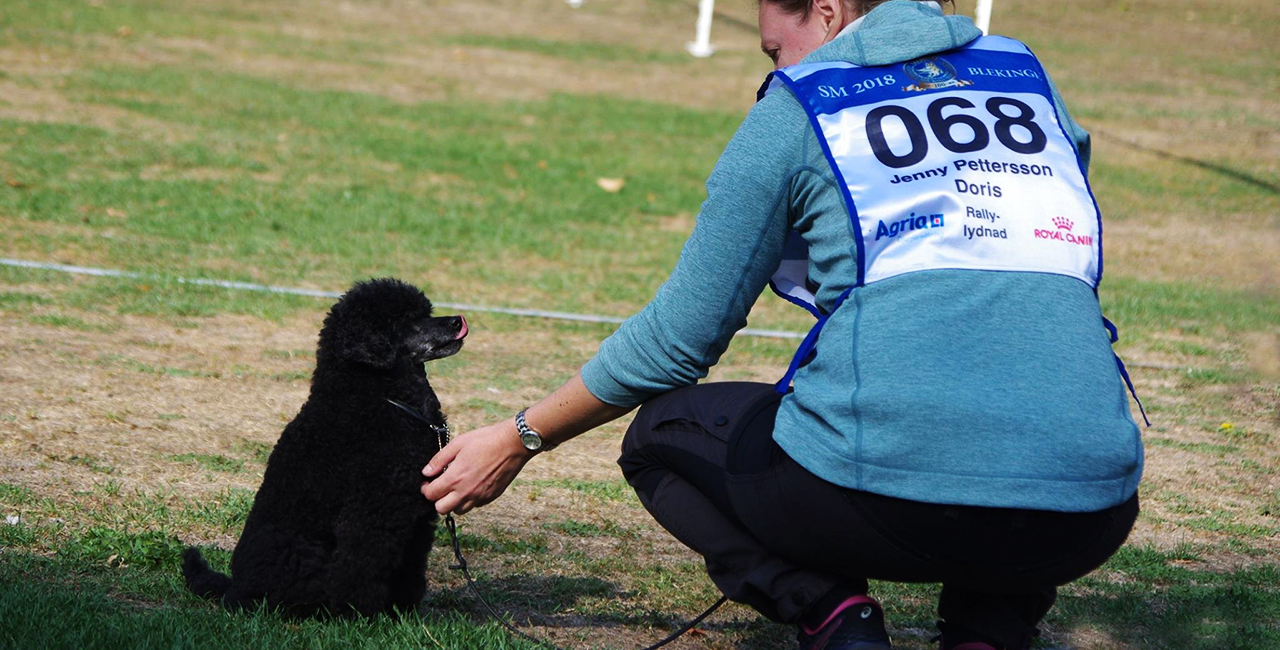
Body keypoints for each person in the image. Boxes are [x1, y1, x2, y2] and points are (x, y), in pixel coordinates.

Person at [421, 1, 1144, 649]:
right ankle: (990, 631)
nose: (774, 66)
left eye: (774, 49)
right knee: (1020, 417)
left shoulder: (799, 107)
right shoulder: (1026, 76)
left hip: (886, 506)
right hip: (1091, 511)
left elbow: (677, 342)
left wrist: (519, 437)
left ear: (827, 13)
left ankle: (835, 619)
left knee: (660, 436)